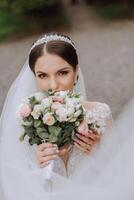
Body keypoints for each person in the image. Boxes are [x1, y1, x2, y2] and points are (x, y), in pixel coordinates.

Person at [0, 32, 117, 200]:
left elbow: (120, 173)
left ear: (76, 71)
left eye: (62, 72)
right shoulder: (26, 119)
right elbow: (14, 184)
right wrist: (38, 166)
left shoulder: (99, 113)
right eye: (43, 75)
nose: (53, 85)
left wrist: (99, 151)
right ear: (34, 76)